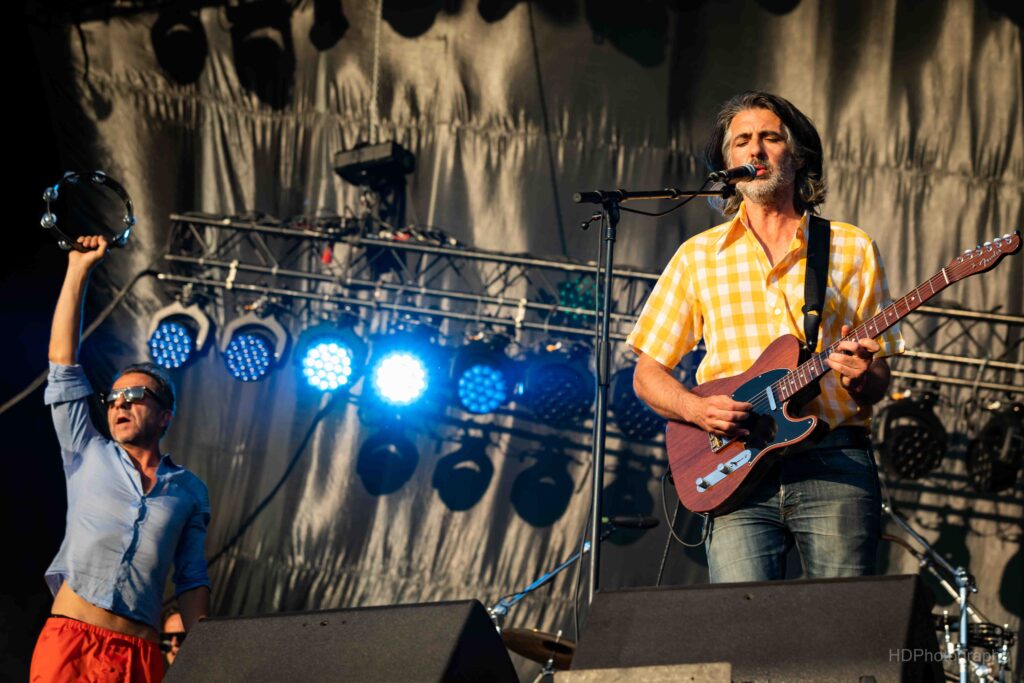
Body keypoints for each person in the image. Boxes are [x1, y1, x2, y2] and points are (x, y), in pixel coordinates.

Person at [629, 91, 903, 583]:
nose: (755, 149)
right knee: (742, 621)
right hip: (735, 463)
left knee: (841, 619)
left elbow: (879, 375)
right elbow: (647, 374)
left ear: (797, 157)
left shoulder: (851, 247)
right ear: (727, 165)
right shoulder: (698, 257)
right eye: (741, 141)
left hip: (832, 459)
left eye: (770, 137)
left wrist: (863, 377)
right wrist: (696, 410)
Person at [30, 235, 211, 682]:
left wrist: (210, 662)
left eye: (134, 396)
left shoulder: (189, 490)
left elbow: (191, 580)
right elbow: (62, 364)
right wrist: (78, 269)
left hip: (138, 655)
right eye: (113, 398)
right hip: (72, 642)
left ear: (165, 416)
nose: (119, 404)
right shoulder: (86, 449)